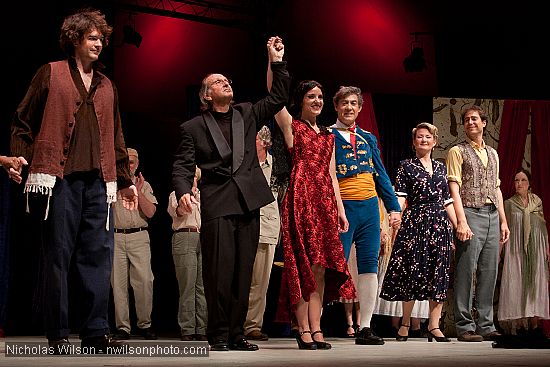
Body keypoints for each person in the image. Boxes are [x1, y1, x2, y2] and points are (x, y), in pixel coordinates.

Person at [9, 8, 138, 354]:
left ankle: (96, 331)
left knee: (98, 255)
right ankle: (59, 332)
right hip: (59, 180)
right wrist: (19, 156)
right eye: (92, 37)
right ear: (75, 39)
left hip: (100, 182)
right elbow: (23, 119)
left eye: (102, 39)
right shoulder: (49, 74)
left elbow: (117, 135)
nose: (99, 44)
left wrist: (125, 180)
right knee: (58, 255)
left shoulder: (107, 85)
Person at [172, 36, 290, 352]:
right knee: (219, 272)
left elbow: (279, 96)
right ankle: (219, 332)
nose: (226, 83)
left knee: (243, 271)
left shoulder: (248, 112)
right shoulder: (193, 127)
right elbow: (183, 165)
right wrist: (183, 190)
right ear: (206, 95)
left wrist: (275, 60)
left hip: (249, 201)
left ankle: (237, 333)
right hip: (218, 203)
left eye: (227, 80)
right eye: (218, 82)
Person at [269, 56, 350, 350]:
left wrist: (340, 209)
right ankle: (301, 327)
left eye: (320, 97)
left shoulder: (328, 135)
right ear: (301, 101)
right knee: (301, 265)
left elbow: (331, 174)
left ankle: (317, 328)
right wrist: (274, 62)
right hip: (301, 199)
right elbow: (275, 98)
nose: (317, 101)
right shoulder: (294, 127)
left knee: (319, 267)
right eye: (311, 96)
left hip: (324, 203)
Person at [330, 86, 401, 345]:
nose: (349, 107)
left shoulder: (368, 138)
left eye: (353, 103)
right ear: (336, 107)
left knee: (369, 264)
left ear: (360, 108)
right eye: (344, 103)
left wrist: (394, 208)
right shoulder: (327, 136)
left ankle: (365, 326)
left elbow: (380, 174)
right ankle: (311, 323)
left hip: (370, 208)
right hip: (342, 209)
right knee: (332, 265)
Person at [380, 122, 457, 342]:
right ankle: (405, 323)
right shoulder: (406, 166)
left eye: (428, 137)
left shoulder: (442, 168)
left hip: (439, 225)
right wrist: (394, 215)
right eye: (419, 137)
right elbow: (401, 197)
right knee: (412, 273)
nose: (424, 140)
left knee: (439, 274)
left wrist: (460, 223)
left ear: (435, 141)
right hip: (415, 223)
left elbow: (447, 201)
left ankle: (434, 326)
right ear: (414, 142)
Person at [446, 105, 510, 342]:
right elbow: (453, 185)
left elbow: (497, 188)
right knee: (465, 270)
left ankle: (486, 324)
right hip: (470, 211)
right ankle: (464, 326)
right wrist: (461, 221)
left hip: (492, 213)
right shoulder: (457, 151)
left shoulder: (493, 153)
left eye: (474, 119)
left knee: (489, 271)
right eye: (466, 120)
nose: (470, 122)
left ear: (484, 123)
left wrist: (503, 220)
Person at [111, 148, 157, 341]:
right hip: (116, 237)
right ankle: (123, 327)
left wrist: (137, 190)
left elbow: (151, 212)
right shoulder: (112, 185)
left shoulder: (144, 185)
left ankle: (144, 324)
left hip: (139, 236)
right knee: (118, 284)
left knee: (144, 281)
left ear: (136, 164)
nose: (128, 165)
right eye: (125, 161)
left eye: (131, 162)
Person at [498, 169, 549, 335]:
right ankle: (519, 325)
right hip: (516, 250)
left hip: (536, 249)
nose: (519, 184)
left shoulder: (537, 202)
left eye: (523, 180)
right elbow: (504, 229)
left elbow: (542, 226)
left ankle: (534, 325)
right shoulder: (509, 204)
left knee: (535, 283)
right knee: (517, 283)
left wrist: (546, 247)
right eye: (516, 180)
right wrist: (501, 251)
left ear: (529, 184)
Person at [244, 126, 281, 341]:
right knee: (240, 279)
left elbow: (283, 196)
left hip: (267, 228)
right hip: (242, 227)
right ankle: (234, 324)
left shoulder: (276, 166)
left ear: (264, 142)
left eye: (254, 138)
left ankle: (252, 326)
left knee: (260, 282)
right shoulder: (242, 163)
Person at [168, 168, 207, 342]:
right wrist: (188, 196)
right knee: (187, 285)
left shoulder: (203, 195)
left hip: (203, 238)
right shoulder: (175, 195)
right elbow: (180, 212)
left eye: (194, 178)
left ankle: (203, 327)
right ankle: (188, 328)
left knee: (202, 286)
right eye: (189, 178)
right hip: (185, 236)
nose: (192, 181)